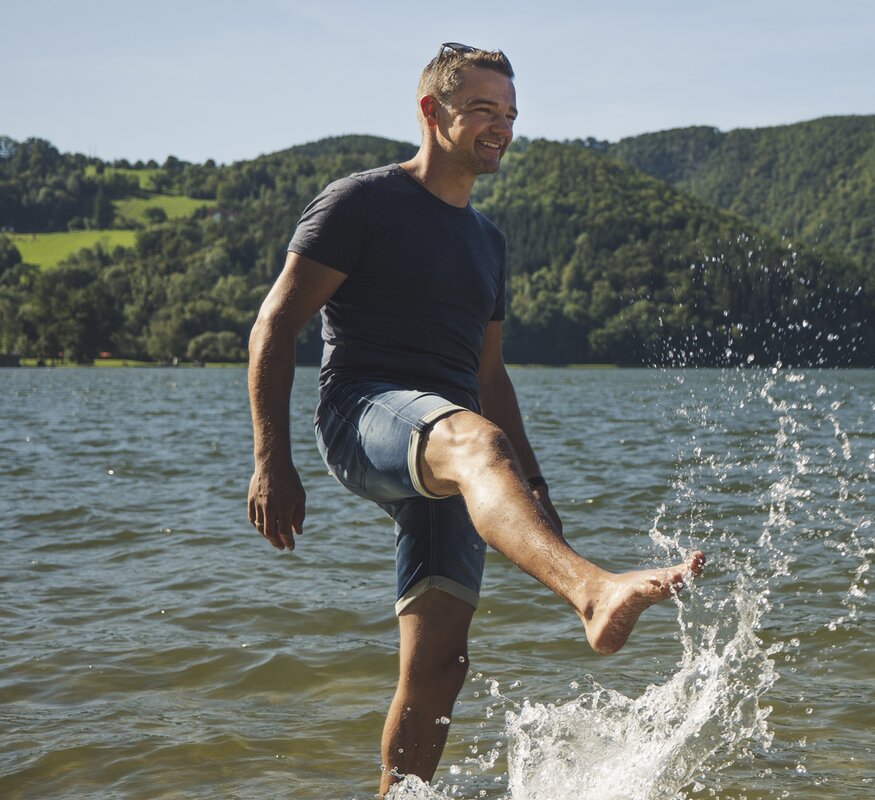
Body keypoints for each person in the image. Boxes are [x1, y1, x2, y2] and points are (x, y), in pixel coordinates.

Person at [245, 43, 704, 795]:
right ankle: (594, 594)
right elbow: (275, 326)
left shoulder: (487, 241)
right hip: (365, 413)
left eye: (511, 114)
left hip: (459, 452)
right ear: (432, 112)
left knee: (439, 666)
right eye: (484, 110)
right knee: (471, 439)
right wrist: (273, 460)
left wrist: (535, 482)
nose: (502, 127)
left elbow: (490, 377)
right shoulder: (360, 202)